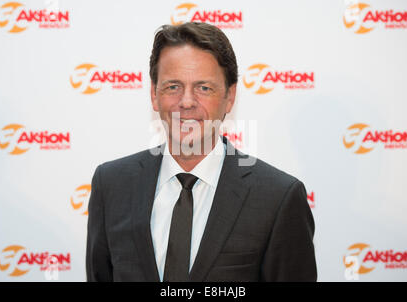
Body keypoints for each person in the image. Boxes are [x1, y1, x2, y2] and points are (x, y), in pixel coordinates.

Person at [86, 22, 317, 282]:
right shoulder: (111, 185)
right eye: (173, 86)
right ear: (154, 94)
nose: (186, 102)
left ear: (230, 97)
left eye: (203, 88)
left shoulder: (278, 198)